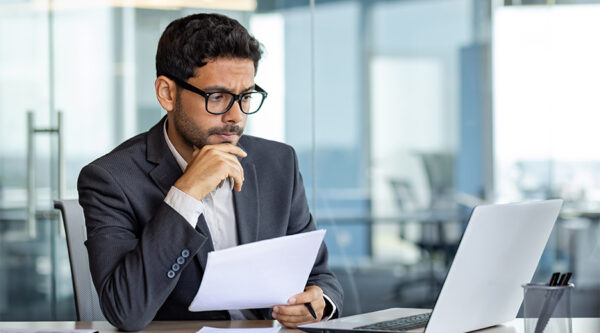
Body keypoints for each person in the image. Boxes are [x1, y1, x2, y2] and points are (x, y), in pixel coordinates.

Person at [77, 13, 343, 332]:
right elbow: (126, 310)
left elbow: (318, 275)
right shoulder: (111, 179)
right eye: (216, 97)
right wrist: (185, 195)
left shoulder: (278, 162)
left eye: (245, 97)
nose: (235, 116)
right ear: (167, 93)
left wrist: (319, 302)